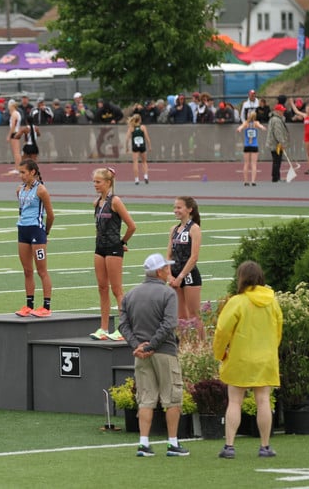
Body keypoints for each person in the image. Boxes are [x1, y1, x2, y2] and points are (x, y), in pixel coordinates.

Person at [119, 253, 189, 458]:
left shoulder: (130, 295)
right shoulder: (168, 294)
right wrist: (151, 345)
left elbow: (123, 325)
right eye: (166, 268)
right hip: (164, 352)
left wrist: (138, 346)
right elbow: (169, 324)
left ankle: (143, 443)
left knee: (146, 399)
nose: (169, 270)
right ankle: (173, 443)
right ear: (159, 272)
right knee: (172, 398)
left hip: (141, 355)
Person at [213, 261, 282, 459]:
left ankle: (229, 446)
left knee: (235, 401)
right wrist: (270, 350)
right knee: (263, 400)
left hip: (240, 357)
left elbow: (222, 330)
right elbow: (278, 330)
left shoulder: (237, 302)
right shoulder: (272, 301)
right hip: (265, 358)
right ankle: (265, 446)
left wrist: (220, 353)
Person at [91, 167, 136, 341]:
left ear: (108, 183)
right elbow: (98, 228)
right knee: (102, 288)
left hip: (113, 248)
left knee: (117, 289)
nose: (95, 185)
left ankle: (124, 328)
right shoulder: (97, 203)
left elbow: (131, 225)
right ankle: (103, 328)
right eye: (94, 182)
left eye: (98, 182)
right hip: (99, 248)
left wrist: (122, 242)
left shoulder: (115, 201)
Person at [13, 160, 54, 318]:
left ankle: (46, 306)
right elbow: (22, 211)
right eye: (20, 172)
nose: (21, 175)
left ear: (32, 172)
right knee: (27, 270)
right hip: (23, 231)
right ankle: (29, 305)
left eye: (23, 172)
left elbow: (50, 215)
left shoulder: (41, 190)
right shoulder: (20, 190)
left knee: (42, 271)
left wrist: (45, 233)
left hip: (37, 232)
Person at [167, 196, 204, 340]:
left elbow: (194, 257)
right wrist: (169, 276)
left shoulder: (194, 228)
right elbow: (169, 255)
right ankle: (184, 346)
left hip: (189, 276)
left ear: (189, 209)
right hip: (174, 276)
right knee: (180, 317)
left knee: (194, 316)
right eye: (174, 207)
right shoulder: (174, 229)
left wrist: (180, 277)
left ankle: (202, 346)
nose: (175, 210)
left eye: (179, 207)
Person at [236, 111, 266, 186]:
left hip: (247, 145)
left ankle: (246, 181)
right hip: (254, 146)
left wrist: (239, 129)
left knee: (246, 164)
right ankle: (253, 181)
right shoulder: (256, 123)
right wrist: (262, 127)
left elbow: (240, 127)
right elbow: (261, 126)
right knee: (254, 164)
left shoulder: (246, 123)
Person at [266, 100, 290, 183]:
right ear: (277, 111)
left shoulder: (275, 119)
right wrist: (282, 142)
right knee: (277, 160)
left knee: (277, 160)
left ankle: (276, 176)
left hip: (274, 143)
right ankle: (275, 177)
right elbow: (278, 133)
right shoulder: (276, 120)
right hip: (276, 144)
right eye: (281, 111)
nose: (283, 112)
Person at [125, 113, 151, 185]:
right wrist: (149, 146)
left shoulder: (131, 128)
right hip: (142, 146)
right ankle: (145, 177)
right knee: (144, 162)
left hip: (135, 146)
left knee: (135, 162)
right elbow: (147, 137)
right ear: (139, 120)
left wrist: (127, 147)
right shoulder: (142, 127)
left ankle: (136, 179)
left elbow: (127, 139)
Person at [6, 99, 22, 173]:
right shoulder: (16, 113)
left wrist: (9, 135)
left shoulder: (14, 114)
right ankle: (17, 167)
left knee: (16, 152)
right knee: (16, 152)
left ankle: (18, 168)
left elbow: (13, 126)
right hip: (16, 132)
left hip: (14, 133)